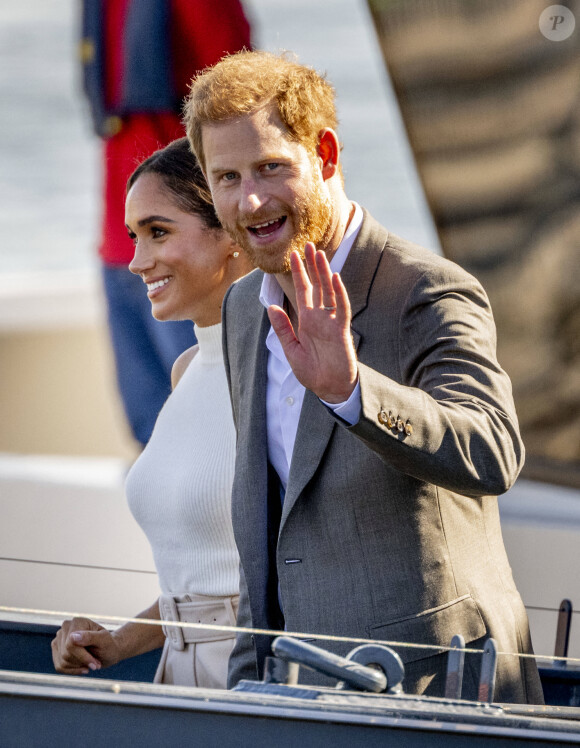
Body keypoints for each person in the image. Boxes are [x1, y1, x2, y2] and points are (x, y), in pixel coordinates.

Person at [184, 50, 544, 703]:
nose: (252, 199)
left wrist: (351, 392)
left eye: (271, 167)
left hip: (438, 698)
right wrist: (246, 685)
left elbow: (494, 451)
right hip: (298, 692)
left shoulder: (428, 290)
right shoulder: (243, 307)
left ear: (325, 154)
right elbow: (265, 525)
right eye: (227, 177)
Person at [51, 138, 253, 688]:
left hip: (253, 680)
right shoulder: (187, 369)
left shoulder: (284, 373)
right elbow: (199, 587)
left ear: (231, 234)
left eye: (158, 233)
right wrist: (119, 642)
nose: (138, 262)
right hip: (176, 678)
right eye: (134, 236)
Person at [80, 0, 251, 446]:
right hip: (119, 247)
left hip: (183, 249)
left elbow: (240, 110)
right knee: (151, 435)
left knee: (216, 431)